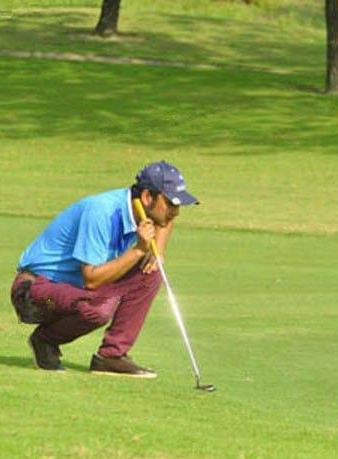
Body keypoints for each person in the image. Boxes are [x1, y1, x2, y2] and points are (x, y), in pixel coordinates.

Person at [10, 161, 198, 377]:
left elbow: (165, 220)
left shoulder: (146, 208)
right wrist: (138, 250)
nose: (176, 212)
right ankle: (44, 341)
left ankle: (111, 356)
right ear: (147, 197)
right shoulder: (102, 212)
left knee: (150, 273)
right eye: (171, 204)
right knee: (97, 308)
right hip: (35, 289)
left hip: (75, 289)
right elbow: (91, 279)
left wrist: (157, 252)